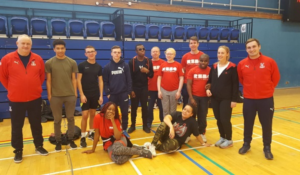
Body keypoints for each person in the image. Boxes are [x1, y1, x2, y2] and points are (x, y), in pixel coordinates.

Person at [0, 34, 48, 163]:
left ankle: (39, 146)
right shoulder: (7, 59)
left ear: (31, 45)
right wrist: (13, 88)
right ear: (17, 44)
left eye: (28, 44)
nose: (25, 46)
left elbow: (41, 76)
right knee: (16, 126)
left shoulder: (37, 59)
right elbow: (3, 77)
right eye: (23, 43)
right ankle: (18, 150)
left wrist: (33, 87)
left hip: (34, 99)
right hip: (16, 100)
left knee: (36, 124)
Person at [237, 38, 280, 160]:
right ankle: (246, 144)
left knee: (267, 124)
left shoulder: (269, 62)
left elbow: (275, 78)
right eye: (249, 47)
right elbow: (241, 79)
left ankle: (267, 147)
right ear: (246, 49)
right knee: (248, 123)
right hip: (249, 100)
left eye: (254, 46)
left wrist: (267, 90)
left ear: (259, 47)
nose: (252, 49)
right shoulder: (242, 64)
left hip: (266, 100)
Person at [82, 102, 153, 164]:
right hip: (108, 143)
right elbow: (97, 135)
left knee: (116, 149)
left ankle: (141, 152)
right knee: (118, 159)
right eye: (109, 109)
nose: (111, 111)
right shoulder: (98, 117)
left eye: (113, 110)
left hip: (119, 139)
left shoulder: (116, 119)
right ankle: (135, 148)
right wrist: (93, 149)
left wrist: (112, 121)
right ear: (105, 109)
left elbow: (118, 137)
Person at [45, 39, 78, 151]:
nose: (60, 50)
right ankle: (58, 141)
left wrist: (75, 93)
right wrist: (50, 95)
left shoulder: (72, 62)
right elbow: (48, 81)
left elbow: (74, 79)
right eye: (57, 48)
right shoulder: (49, 63)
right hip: (55, 96)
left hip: (70, 95)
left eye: (62, 48)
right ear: (54, 49)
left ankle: (70, 139)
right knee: (57, 119)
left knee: (70, 118)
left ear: (65, 49)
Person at [206, 45, 239, 149]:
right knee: (218, 119)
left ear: (227, 54)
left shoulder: (232, 67)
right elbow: (209, 81)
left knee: (225, 119)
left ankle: (229, 139)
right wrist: (207, 89)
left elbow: (235, 85)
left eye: (222, 53)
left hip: (227, 98)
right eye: (219, 53)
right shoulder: (214, 66)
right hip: (215, 98)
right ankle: (222, 137)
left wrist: (234, 99)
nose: (220, 55)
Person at [146, 104, 211, 153]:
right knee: (163, 124)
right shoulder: (177, 114)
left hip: (175, 141)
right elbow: (166, 118)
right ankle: (152, 145)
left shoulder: (193, 122)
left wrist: (203, 143)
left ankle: (154, 146)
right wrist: (171, 127)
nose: (185, 112)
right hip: (166, 136)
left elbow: (197, 135)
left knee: (171, 147)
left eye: (188, 111)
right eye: (184, 109)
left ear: (191, 114)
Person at [103, 45, 132, 138]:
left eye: (119, 52)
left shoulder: (125, 65)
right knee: (112, 114)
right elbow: (105, 82)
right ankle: (113, 130)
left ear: (121, 53)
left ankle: (124, 130)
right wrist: (107, 93)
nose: (117, 54)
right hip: (113, 95)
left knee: (124, 113)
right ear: (111, 53)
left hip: (123, 94)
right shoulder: (107, 67)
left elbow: (129, 80)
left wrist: (128, 92)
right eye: (115, 52)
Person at [77, 45, 103, 147]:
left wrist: (101, 95)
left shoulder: (98, 67)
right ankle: (83, 136)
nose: (90, 53)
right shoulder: (82, 65)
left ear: (95, 52)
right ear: (85, 54)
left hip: (95, 94)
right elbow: (78, 80)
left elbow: (100, 81)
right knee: (84, 115)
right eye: (88, 52)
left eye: (92, 51)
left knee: (93, 114)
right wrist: (81, 94)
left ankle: (91, 133)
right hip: (85, 94)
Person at [128, 44, 154, 133]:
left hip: (144, 88)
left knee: (144, 107)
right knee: (134, 108)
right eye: (140, 49)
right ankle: (132, 125)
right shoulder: (132, 61)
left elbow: (152, 74)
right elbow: (129, 77)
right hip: (135, 88)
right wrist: (131, 90)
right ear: (136, 51)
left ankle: (145, 126)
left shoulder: (148, 61)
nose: (142, 50)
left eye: (143, 49)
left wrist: (147, 71)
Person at [187, 54, 211, 143]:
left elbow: (213, 83)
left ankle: (201, 133)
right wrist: (191, 98)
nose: (203, 62)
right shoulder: (192, 70)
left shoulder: (211, 71)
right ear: (198, 61)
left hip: (204, 98)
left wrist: (210, 86)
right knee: (190, 116)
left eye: (205, 61)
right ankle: (188, 134)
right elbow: (189, 84)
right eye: (201, 60)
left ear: (208, 62)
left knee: (202, 117)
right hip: (194, 97)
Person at [157, 48, 184, 118]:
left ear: (174, 55)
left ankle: (172, 126)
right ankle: (166, 126)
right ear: (165, 55)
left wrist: (179, 91)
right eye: (167, 54)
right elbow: (159, 78)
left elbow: (181, 78)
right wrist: (159, 91)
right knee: (165, 110)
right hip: (164, 90)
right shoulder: (162, 65)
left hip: (174, 90)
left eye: (171, 54)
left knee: (173, 110)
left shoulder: (178, 65)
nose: (169, 55)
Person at [181, 36, 204, 108]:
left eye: (194, 43)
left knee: (198, 105)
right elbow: (183, 69)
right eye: (191, 43)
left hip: (198, 83)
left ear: (198, 44)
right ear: (189, 45)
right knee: (186, 103)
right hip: (187, 83)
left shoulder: (202, 55)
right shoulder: (185, 56)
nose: (193, 45)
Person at [147, 46, 165, 128]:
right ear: (151, 53)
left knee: (161, 107)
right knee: (149, 108)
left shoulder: (163, 63)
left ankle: (162, 122)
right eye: (153, 51)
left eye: (156, 51)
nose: (155, 53)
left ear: (159, 53)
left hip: (160, 90)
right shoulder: (147, 63)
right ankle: (149, 122)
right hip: (150, 89)